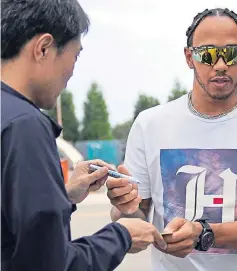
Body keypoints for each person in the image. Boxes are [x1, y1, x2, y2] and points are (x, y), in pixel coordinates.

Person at [106, 8, 237, 271]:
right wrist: (125, 206)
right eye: (207, 54)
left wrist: (202, 233)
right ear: (189, 57)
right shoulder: (150, 125)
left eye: (231, 53)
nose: (220, 65)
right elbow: (136, 214)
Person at [1, 0, 166, 270]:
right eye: (75, 56)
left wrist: (64, 197)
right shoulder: (25, 126)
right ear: (43, 48)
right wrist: (122, 235)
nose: (72, 73)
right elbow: (51, 264)